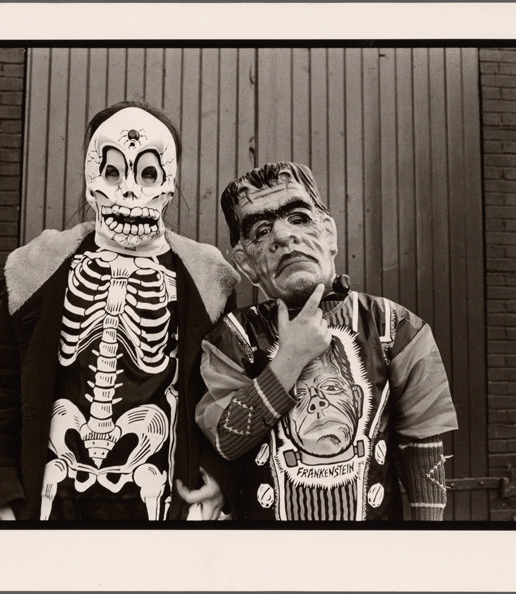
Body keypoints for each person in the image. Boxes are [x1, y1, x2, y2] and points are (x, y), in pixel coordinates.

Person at [0, 101, 240, 521]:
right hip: (52, 505)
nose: (129, 191)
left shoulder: (207, 279)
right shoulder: (39, 267)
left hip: (161, 502)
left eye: (148, 174)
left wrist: (219, 475)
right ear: (91, 177)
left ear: (169, 181)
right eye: (112, 173)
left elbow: (226, 394)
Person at [195, 162, 459, 521]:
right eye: (261, 230)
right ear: (245, 263)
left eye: (299, 218)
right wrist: (289, 359)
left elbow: (422, 444)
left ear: (329, 233)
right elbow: (227, 442)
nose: (284, 236)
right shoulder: (231, 340)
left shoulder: (397, 329)